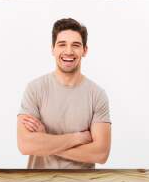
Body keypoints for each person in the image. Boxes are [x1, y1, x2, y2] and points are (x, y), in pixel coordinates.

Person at [17, 18, 111, 169]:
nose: (68, 51)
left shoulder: (97, 95)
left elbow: (100, 154)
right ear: (53, 49)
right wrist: (78, 138)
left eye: (76, 45)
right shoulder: (35, 89)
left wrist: (45, 141)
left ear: (84, 50)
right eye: (62, 44)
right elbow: (25, 145)